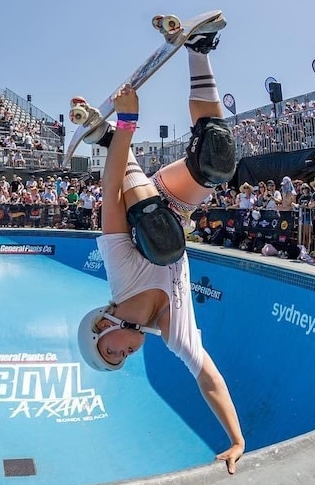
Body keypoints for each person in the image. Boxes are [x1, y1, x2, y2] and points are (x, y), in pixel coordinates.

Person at [75, 18, 243, 474]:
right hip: (177, 210)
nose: (125, 354)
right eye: (121, 360)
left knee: (161, 239)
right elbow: (208, 378)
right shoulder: (174, 335)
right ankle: (200, 49)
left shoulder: (119, 274)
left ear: (102, 328)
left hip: (138, 202)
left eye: (113, 352)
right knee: (217, 159)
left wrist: (128, 121)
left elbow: (109, 196)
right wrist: (236, 438)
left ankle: (111, 142)